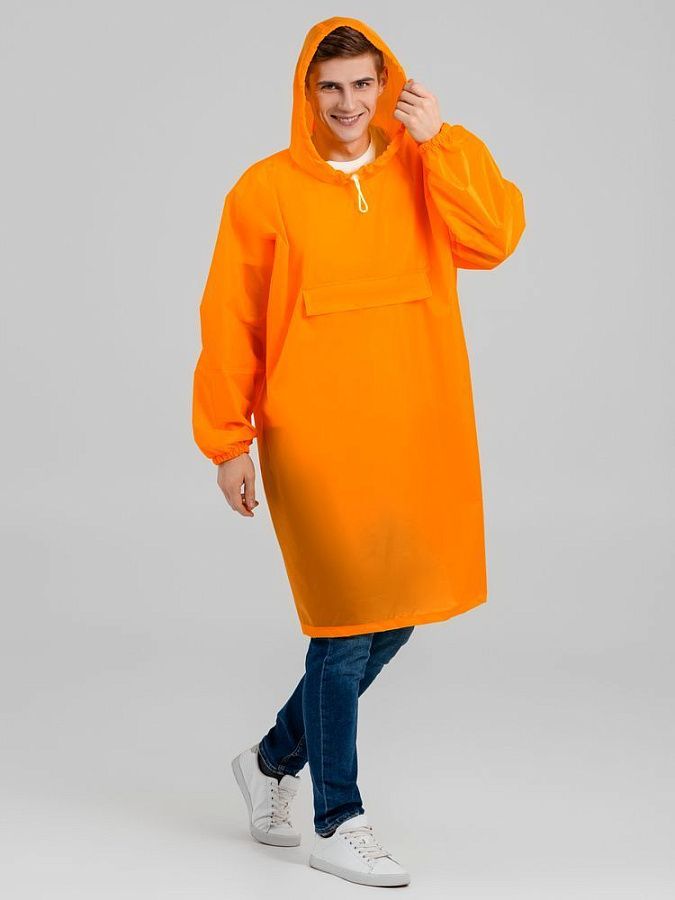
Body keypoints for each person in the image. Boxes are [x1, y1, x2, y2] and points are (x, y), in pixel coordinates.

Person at [192, 15, 526, 888]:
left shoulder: (425, 166)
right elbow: (231, 316)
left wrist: (442, 140)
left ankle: (270, 760)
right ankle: (337, 818)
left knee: (395, 614)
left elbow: (493, 239)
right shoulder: (265, 190)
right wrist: (228, 439)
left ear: (388, 87)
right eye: (330, 87)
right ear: (308, 93)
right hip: (313, 434)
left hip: (415, 424)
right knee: (342, 627)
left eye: (363, 85)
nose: (347, 103)